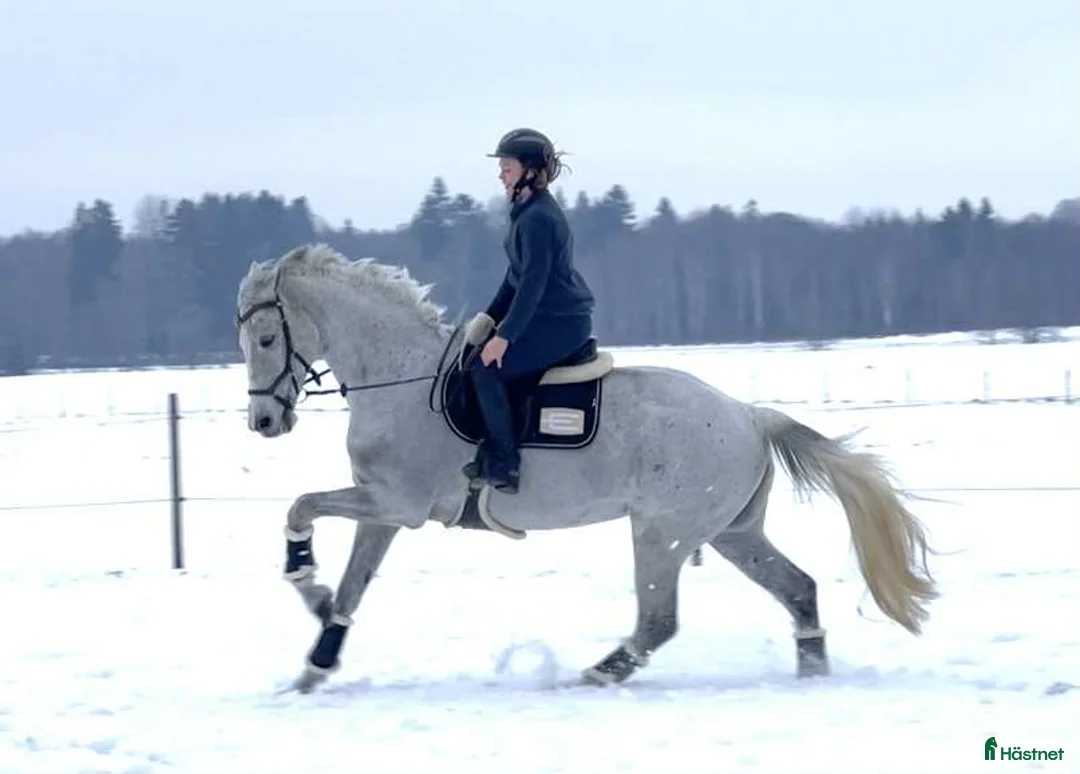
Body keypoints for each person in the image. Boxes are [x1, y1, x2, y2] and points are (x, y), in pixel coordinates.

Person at [462, 128, 596, 494]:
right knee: (478, 355)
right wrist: (487, 322)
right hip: (544, 317)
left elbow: (533, 285)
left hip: (561, 323)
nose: (501, 174)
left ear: (530, 170)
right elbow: (514, 278)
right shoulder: (525, 212)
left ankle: (506, 464)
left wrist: (504, 338)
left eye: (507, 166)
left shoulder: (538, 219)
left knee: (484, 369)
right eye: (501, 167)